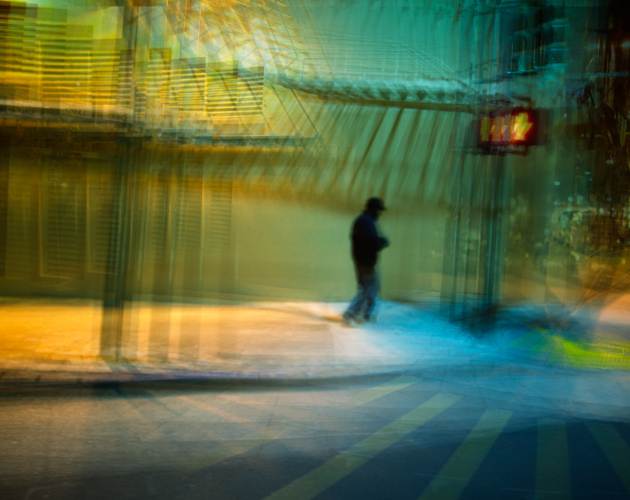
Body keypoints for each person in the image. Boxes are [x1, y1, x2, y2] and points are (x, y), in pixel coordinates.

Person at [342, 197, 390, 326]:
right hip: (366, 262)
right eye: (379, 210)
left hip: (361, 261)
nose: (380, 213)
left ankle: (364, 315)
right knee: (367, 288)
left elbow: (361, 241)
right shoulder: (367, 222)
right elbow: (370, 243)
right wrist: (382, 242)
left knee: (370, 287)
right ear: (374, 209)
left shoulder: (362, 220)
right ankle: (350, 315)